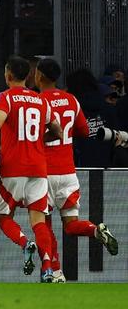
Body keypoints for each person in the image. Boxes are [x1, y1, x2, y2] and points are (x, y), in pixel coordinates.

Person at [0, 55, 62, 283]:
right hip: (38, 168)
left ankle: (23, 242)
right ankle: (48, 267)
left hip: (12, 168)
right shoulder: (41, 101)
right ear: (28, 76)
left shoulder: (5, 97)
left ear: (8, 75)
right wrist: (39, 139)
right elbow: (57, 131)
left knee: (4, 217)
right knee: (39, 220)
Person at [36, 58, 118, 282]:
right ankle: (95, 229)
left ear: (40, 76)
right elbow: (83, 130)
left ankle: (55, 272)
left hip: (45, 173)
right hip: (68, 173)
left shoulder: (37, 101)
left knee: (44, 225)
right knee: (71, 225)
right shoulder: (71, 99)